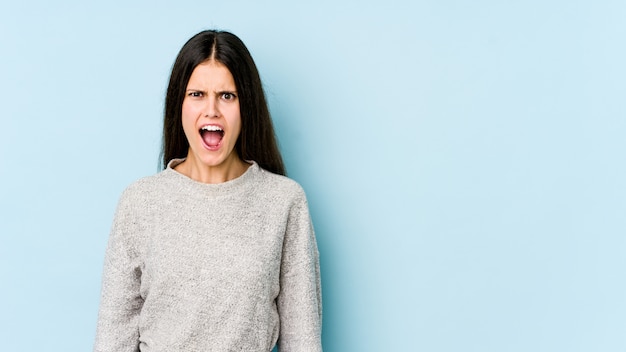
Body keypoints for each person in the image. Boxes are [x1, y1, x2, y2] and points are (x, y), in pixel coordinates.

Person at [94, 30, 322, 351]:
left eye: (227, 95)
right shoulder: (140, 203)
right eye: (197, 94)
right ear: (179, 104)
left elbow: (304, 343)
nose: (212, 110)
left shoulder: (284, 203)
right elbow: (112, 341)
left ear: (247, 106)